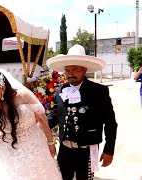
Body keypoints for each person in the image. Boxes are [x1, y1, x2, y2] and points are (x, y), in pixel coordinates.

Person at [46, 44, 118, 180]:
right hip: (65, 149)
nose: (70, 73)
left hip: (87, 150)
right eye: (67, 70)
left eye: (75, 70)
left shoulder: (98, 92)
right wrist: (40, 125)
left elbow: (110, 123)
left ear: (84, 70)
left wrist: (109, 150)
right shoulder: (60, 91)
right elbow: (55, 114)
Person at [0, 69, 62, 180]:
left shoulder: (23, 96)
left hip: (34, 149)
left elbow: (43, 120)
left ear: (2, 88)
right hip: (8, 152)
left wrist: (51, 143)